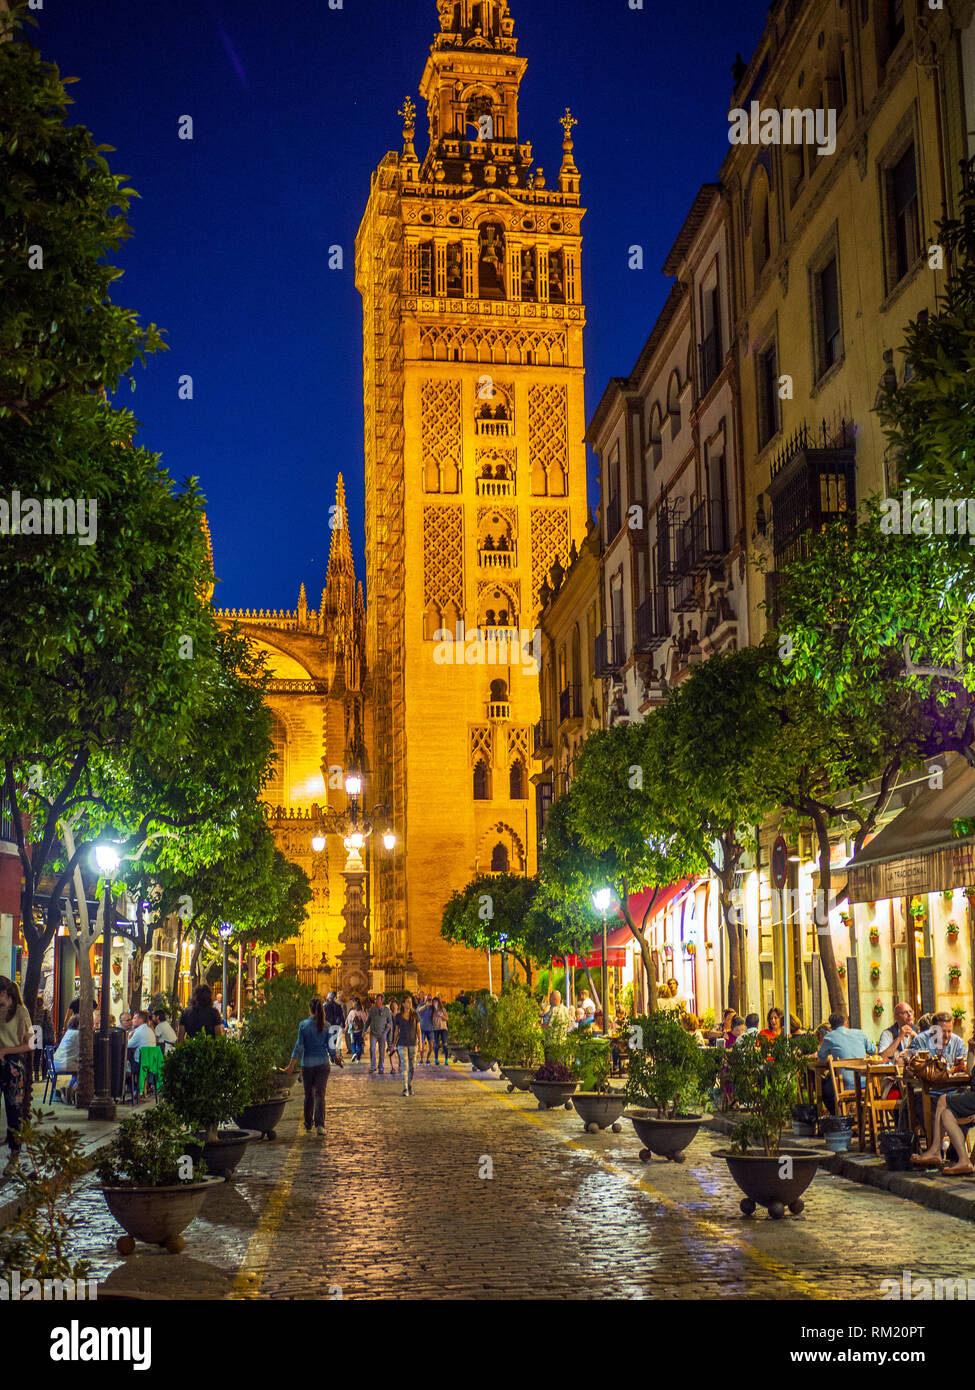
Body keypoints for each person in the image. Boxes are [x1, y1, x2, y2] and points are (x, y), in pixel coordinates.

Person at [283, 996, 343, 1137]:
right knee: (320, 1095)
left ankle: (308, 1124)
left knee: (308, 1095)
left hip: (307, 1065)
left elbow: (299, 1047)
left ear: (310, 1010)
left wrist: (291, 1066)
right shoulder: (327, 1026)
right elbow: (331, 1050)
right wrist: (337, 1060)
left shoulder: (303, 1025)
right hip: (323, 1064)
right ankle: (320, 1125)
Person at [0, 977, 34, 1178]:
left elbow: (30, 1044)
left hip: (11, 1064)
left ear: (6, 992)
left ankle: (15, 1156)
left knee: (13, 1110)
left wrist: (6, 1051)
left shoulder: (21, 1012)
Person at [817, 1011, 877, 1111]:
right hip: (866, 1082)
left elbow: (821, 1059)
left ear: (831, 1026)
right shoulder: (859, 1033)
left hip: (845, 1083)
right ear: (845, 1022)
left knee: (825, 1088)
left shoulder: (829, 1037)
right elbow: (874, 1051)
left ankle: (839, 1116)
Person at [394, 995, 419, 1097]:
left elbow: (419, 1030)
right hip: (402, 1044)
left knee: (412, 1067)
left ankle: (409, 1084)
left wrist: (421, 1044)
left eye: (410, 1002)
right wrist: (393, 1044)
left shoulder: (415, 1015)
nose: (410, 1003)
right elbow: (396, 1031)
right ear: (403, 1004)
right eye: (407, 1002)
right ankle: (405, 1088)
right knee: (405, 1066)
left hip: (413, 1044)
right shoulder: (398, 1016)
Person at [52, 1016, 80, 1099]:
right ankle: (70, 1090)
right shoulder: (77, 1034)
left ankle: (66, 1090)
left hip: (56, 1064)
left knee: (79, 1071)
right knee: (85, 1070)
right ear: (78, 1024)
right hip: (65, 1063)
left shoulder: (69, 1032)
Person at [367, 993, 392, 1074]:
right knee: (372, 1049)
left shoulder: (386, 1011)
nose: (376, 1001)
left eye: (377, 1000)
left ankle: (381, 1067)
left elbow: (390, 1022)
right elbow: (368, 1021)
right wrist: (364, 1031)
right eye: (375, 999)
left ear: (381, 1001)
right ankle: (373, 1066)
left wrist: (385, 1032)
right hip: (373, 1033)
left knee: (381, 1051)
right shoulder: (372, 1010)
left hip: (382, 1034)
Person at [430, 996, 449, 1065]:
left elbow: (447, 1018)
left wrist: (441, 1015)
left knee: (445, 1044)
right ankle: (436, 1059)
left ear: (438, 1002)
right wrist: (435, 1015)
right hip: (436, 1029)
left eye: (436, 1001)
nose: (435, 1003)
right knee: (436, 1045)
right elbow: (432, 1021)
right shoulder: (432, 1011)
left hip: (443, 1029)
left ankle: (446, 1060)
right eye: (434, 1002)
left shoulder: (442, 1009)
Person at [418, 993, 435, 1064]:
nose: (429, 1000)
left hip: (430, 1029)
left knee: (431, 1047)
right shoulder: (421, 1005)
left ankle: (427, 1059)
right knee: (422, 1046)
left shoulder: (433, 1008)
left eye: (430, 999)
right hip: (422, 1029)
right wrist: (425, 1005)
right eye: (428, 999)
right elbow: (418, 1011)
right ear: (425, 999)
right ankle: (421, 1060)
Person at [387, 999, 401, 1074]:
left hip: (399, 1037)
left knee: (399, 1053)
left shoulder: (400, 1016)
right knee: (391, 1053)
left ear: (397, 1006)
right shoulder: (389, 1016)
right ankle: (393, 1067)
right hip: (390, 1037)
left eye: (395, 1005)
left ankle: (400, 1065)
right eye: (392, 1005)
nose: (394, 1006)